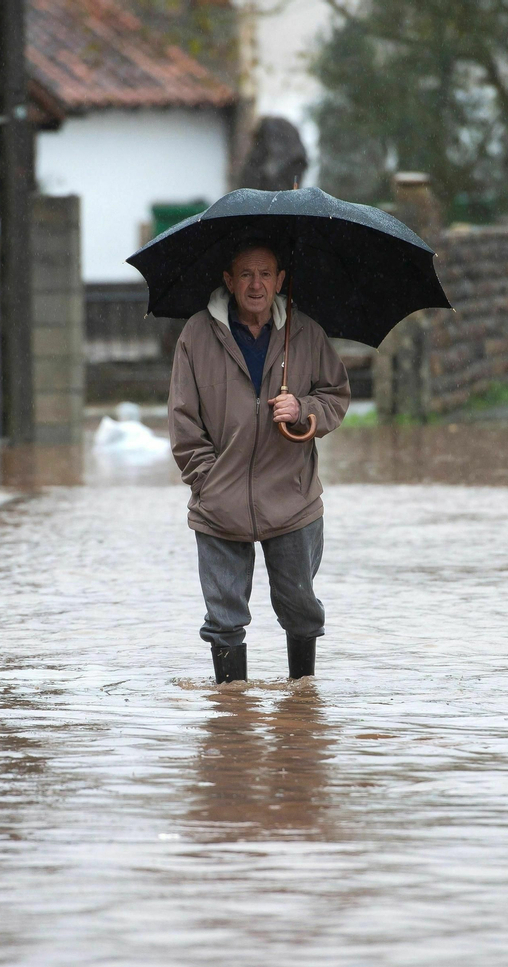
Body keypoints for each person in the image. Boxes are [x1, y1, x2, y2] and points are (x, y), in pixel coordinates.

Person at [168, 240, 351, 685]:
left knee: (301, 609)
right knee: (224, 616)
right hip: (219, 502)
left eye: (266, 274)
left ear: (280, 281)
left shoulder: (304, 333)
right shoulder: (196, 335)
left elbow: (336, 396)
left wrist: (303, 408)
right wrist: (207, 482)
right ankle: (232, 720)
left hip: (292, 499)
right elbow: (183, 420)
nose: (256, 284)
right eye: (246, 274)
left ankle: (302, 702)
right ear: (228, 282)